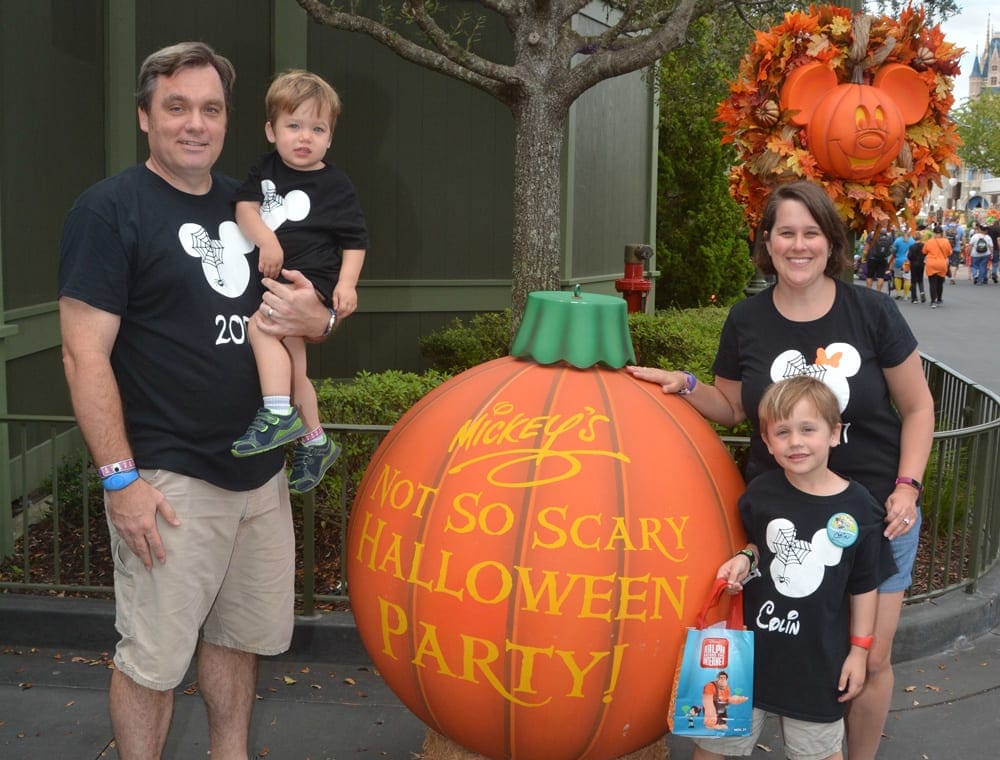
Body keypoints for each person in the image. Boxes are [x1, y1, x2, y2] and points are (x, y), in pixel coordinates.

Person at [58, 42, 335, 759]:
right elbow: (82, 353)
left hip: (257, 470)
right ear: (145, 116)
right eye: (176, 106)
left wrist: (324, 318)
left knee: (238, 639)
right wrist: (121, 480)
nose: (194, 123)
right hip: (168, 479)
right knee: (152, 661)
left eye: (210, 109)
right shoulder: (109, 210)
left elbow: (300, 314)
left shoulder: (249, 206)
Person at [625, 179, 935, 760]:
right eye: (785, 233)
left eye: (811, 233)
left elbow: (918, 408)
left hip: (876, 512)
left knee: (869, 655)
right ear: (767, 243)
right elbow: (734, 407)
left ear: (831, 242)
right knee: (768, 645)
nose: (799, 245)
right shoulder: (746, 319)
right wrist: (685, 386)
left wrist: (907, 488)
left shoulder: (871, 311)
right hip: (779, 518)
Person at [689, 376, 882, 760]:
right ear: (767, 441)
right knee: (713, 747)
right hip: (744, 658)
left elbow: (865, 585)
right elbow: (757, 546)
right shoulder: (760, 493)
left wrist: (859, 653)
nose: (795, 441)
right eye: (782, 432)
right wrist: (745, 558)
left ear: (834, 433)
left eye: (808, 429)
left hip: (817, 663)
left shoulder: (861, 509)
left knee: (818, 752)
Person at [230, 69, 368, 493]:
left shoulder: (335, 184)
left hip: (312, 281)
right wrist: (267, 243)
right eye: (294, 126)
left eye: (317, 128)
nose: (304, 136)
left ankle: (276, 414)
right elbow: (244, 209)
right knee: (295, 372)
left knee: (260, 326)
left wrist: (346, 286)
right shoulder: (265, 167)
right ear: (272, 131)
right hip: (280, 275)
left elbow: (355, 240)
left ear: (329, 138)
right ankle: (315, 440)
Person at [924, 224, 951, 308]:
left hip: (931, 263)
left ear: (933, 233)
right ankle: (939, 298)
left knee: (932, 283)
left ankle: (933, 301)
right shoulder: (946, 241)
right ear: (941, 233)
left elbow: (924, 251)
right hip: (942, 263)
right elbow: (949, 252)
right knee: (940, 282)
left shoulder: (929, 241)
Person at [907, 230, 927, 304]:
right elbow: (925, 254)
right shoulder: (923, 245)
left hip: (914, 264)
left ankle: (914, 298)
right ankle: (922, 293)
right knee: (920, 279)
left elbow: (909, 256)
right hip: (921, 264)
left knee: (913, 281)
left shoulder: (912, 247)